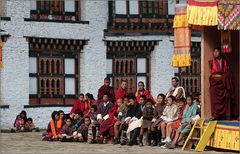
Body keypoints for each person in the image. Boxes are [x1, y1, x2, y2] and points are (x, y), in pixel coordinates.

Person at [209, 47, 234, 120]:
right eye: (214, 52)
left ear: (220, 52)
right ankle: (216, 115)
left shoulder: (225, 61)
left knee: (227, 95)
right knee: (213, 95)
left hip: (224, 83)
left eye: (217, 51)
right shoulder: (211, 62)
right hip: (215, 84)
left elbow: (228, 72)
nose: (215, 53)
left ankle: (227, 115)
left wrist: (224, 77)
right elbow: (211, 74)